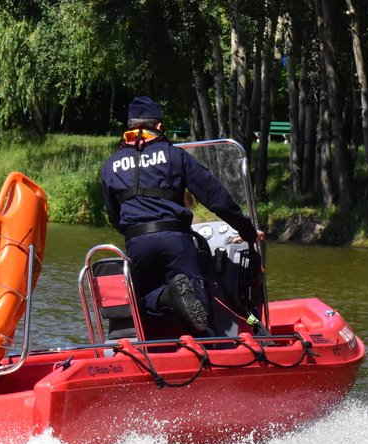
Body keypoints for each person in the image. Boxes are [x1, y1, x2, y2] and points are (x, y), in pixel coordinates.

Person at [100, 96, 262, 334]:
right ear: (158, 126)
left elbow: (114, 214)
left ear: (130, 127)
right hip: (175, 240)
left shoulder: (110, 165)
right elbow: (216, 197)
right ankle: (203, 348)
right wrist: (246, 230)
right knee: (197, 307)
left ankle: (165, 300)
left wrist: (134, 233)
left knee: (142, 303)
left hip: (136, 242)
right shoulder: (175, 156)